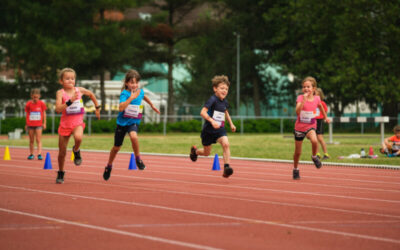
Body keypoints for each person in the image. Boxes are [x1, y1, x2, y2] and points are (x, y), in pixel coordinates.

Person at [103, 69, 160, 181]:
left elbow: (144, 96)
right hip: (122, 123)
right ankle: (109, 165)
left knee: (134, 137)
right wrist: (131, 98)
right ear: (127, 83)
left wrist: (152, 105)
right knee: (116, 148)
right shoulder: (124, 94)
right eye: (132, 82)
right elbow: (121, 108)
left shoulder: (140, 91)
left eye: (136, 82)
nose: (134, 85)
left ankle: (138, 159)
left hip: (133, 122)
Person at [55, 68, 100, 184]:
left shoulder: (79, 90)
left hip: (77, 122)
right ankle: (61, 172)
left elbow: (91, 94)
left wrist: (97, 107)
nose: (70, 81)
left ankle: (76, 150)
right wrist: (70, 101)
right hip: (65, 124)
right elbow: (57, 109)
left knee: (79, 138)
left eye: (72, 78)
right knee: (62, 152)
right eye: (67, 78)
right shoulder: (60, 93)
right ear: (61, 81)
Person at [189, 75, 236, 178]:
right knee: (206, 153)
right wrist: (212, 121)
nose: (225, 91)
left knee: (226, 144)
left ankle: (227, 167)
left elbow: (226, 112)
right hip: (208, 131)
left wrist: (231, 123)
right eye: (222, 88)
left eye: (226, 89)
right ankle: (195, 152)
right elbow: (202, 112)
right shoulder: (212, 100)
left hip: (220, 129)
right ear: (215, 88)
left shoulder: (225, 101)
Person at [293, 77, 330, 180]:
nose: (306, 89)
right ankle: (295, 169)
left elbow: (321, 106)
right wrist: (304, 100)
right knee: (298, 152)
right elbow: (297, 112)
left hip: (311, 126)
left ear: (313, 89)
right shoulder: (300, 98)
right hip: (299, 128)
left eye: (308, 87)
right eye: (304, 87)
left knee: (314, 140)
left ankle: (314, 157)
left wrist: (326, 117)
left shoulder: (317, 98)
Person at [25, 88, 47, 160]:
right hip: (30, 125)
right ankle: (31, 154)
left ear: (39, 96)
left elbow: (44, 113)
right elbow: (27, 114)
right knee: (31, 140)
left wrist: (44, 123)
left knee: (38, 139)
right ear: (31, 96)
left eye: (37, 97)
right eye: (34, 97)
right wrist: (26, 124)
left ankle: (39, 154)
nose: (35, 99)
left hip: (38, 125)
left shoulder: (41, 104)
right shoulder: (28, 104)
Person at [314, 88, 330, 160]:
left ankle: (326, 154)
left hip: (319, 120)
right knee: (315, 139)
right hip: (313, 121)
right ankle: (317, 154)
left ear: (320, 95)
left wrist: (324, 118)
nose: (314, 94)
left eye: (316, 93)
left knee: (320, 138)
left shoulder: (322, 103)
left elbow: (325, 111)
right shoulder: (313, 102)